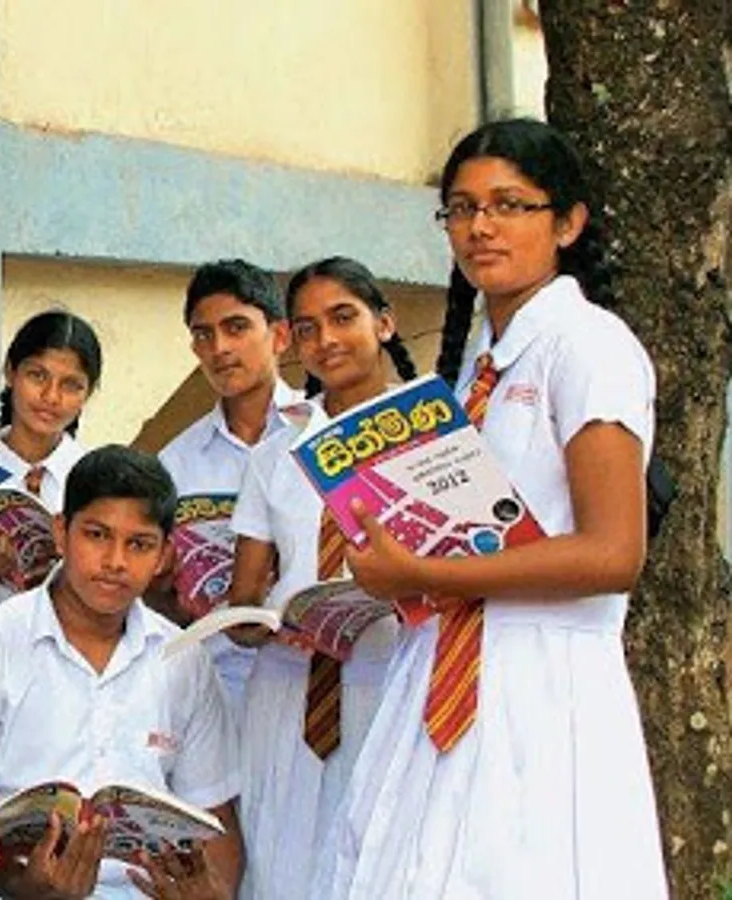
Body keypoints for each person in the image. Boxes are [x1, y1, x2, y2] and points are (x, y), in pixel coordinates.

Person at [318, 119, 667, 899]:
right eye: (461, 208)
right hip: (443, 664)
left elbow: (615, 553)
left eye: (509, 205)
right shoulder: (479, 361)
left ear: (567, 223)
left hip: (543, 682)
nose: (480, 227)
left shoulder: (589, 348)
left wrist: (423, 571)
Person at [0, 445, 245, 899]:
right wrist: (27, 887)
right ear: (61, 533)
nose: (115, 561)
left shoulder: (184, 659)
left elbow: (216, 825)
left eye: (139, 544)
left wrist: (211, 894)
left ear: (163, 556)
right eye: (97, 535)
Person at [221, 256, 418, 899]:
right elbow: (245, 595)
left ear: (384, 323)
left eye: (343, 318)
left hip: (389, 678)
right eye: (307, 329)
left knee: (376, 862)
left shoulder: (429, 435)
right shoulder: (277, 451)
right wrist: (264, 626)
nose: (326, 340)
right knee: (280, 863)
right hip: (288, 689)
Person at [153, 260, 301, 712]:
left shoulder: (318, 436)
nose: (219, 348)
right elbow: (160, 603)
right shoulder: (175, 463)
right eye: (204, 335)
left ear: (279, 335)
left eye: (236, 328)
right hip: (212, 690)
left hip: (311, 681)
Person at [0, 310, 102, 631]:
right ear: (10, 372)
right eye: (37, 376)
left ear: (88, 393)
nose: (51, 397)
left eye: (71, 385)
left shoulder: (101, 480)